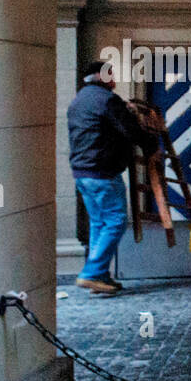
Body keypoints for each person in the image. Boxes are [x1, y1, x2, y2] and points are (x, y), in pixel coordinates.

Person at [66, 60, 156, 293]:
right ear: (100, 76)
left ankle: (100, 277)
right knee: (116, 221)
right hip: (103, 171)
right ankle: (92, 273)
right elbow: (130, 131)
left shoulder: (79, 101)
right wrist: (151, 147)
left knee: (99, 223)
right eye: (110, 73)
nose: (114, 77)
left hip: (83, 172)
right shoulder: (107, 100)